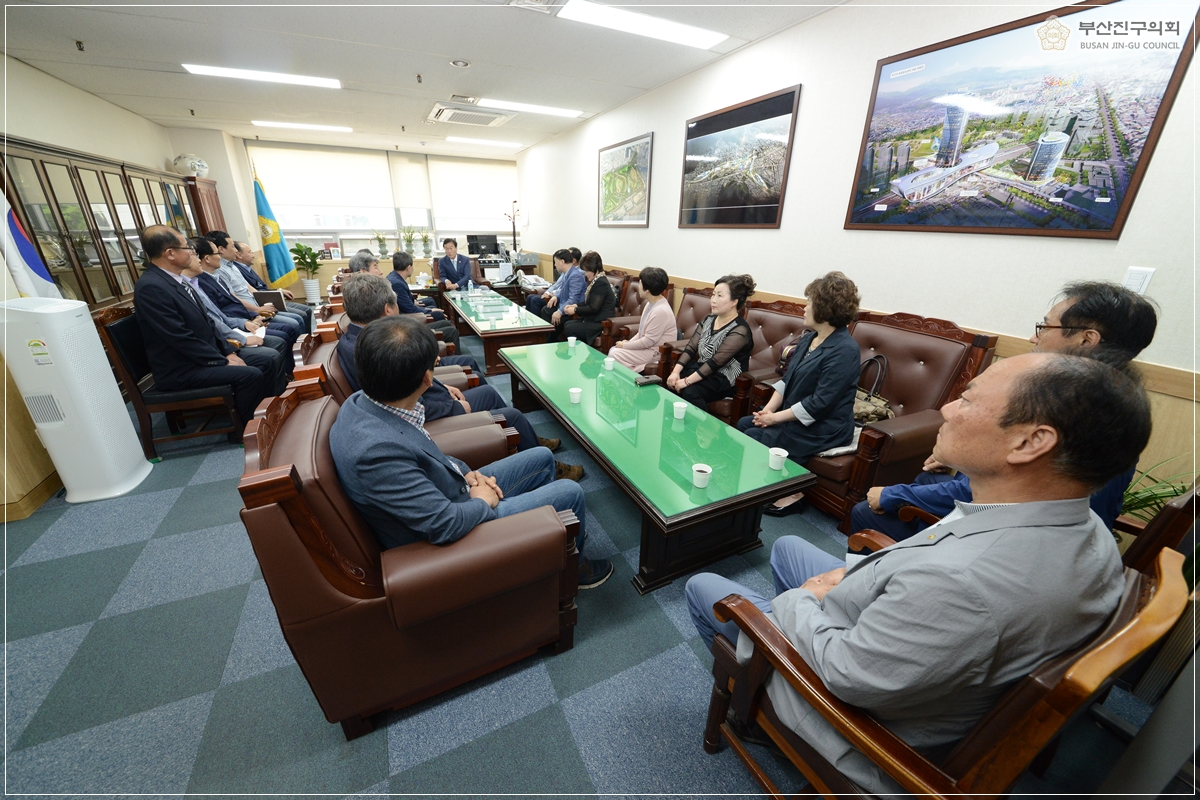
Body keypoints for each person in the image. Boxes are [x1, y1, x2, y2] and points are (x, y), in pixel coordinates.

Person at [687, 351, 1149, 796]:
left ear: (1031, 442)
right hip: (905, 633)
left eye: (967, 399)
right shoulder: (1080, 522)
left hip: (857, 722)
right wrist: (847, 581)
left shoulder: (967, 584)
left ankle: (754, 714)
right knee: (788, 547)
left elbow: (848, 674)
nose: (947, 407)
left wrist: (805, 599)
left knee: (706, 589)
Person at [850, 280, 1159, 540]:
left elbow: (1004, 496)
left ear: (1085, 339)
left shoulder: (1068, 407)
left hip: (1015, 534)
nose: (1032, 337)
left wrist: (893, 495)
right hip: (1052, 527)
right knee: (926, 480)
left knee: (869, 510)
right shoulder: (1117, 398)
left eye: (1044, 326)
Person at [329, 315, 614, 589]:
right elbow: (443, 525)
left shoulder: (365, 400)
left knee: (541, 458)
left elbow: (427, 455)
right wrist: (481, 500)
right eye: (434, 364)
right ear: (428, 379)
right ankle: (572, 573)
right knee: (570, 492)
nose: (438, 363)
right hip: (453, 535)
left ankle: (551, 539)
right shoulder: (375, 452)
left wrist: (467, 472)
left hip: (449, 492)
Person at [335, 274, 578, 479]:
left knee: (487, 389)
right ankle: (543, 462)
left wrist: (441, 386)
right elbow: (400, 402)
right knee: (510, 414)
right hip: (429, 417)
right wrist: (452, 405)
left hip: (426, 402)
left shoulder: (355, 340)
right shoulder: (372, 348)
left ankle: (527, 438)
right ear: (388, 309)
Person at [740, 272, 862, 516]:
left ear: (826, 309)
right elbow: (788, 379)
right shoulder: (809, 339)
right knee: (745, 423)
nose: (804, 307)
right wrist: (769, 410)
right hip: (797, 416)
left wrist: (774, 419)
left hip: (825, 426)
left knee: (755, 436)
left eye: (809, 302)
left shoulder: (845, 350)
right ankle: (766, 486)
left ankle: (793, 494)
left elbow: (821, 403)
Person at [133, 225, 268, 430]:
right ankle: (248, 430)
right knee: (251, 375)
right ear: (170, 253)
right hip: (181, 368)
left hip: (202, 358)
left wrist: (228, 351)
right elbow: (180, 338)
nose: (191, 252)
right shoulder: (152, 287)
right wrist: (220, 360)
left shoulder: (177, 281)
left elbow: (208, 323)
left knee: (266, 358)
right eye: (187, 247)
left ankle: (268, 414)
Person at [180, 243, 290, 395]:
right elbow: (211, 322)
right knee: (271, 353)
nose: (198, 259)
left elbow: (219, 316)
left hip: (234, 327)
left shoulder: (196, 283)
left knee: (280, 340)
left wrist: (247, 321)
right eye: (193, 255)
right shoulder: (186, 286)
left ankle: (279, 392)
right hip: (219, 342)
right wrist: (237, 340)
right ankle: (270, 404)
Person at [666, 274, 756, 408]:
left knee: (690, 392)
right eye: (713, 295)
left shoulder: (740, 330)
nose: (713, 300)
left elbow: (716, 363)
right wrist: (675, 372)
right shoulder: (709, 320)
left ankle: (703, 428)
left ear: (734, 301)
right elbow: (691, 347)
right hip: (703, 369)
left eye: (719, 296)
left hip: (724, 378)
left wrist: (687, 381)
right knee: (671, 385)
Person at [193, 239, 299, 349]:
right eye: (218, 254)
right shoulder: (202, 282)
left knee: (290, 326)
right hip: (236, 327)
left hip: (247, 318)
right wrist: (250, 319)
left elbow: (241, 297)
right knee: (283, 336)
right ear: (207, 259)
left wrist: (254, 316)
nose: (220, 257)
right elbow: (222, 314)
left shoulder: (217, 277)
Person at [206, 230, 305, 334]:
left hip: (258, 305)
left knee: (297, 318)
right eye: (232, 247)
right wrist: (258, 309)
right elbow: (233, 297)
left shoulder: (232, 265)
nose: (235, 250)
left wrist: (268, 299)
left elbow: (249, 287)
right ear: (221, 249)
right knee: (293, 323)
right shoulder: (219, 270)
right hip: (251, 311)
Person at [232, 240, 314, 331]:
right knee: (298, 318)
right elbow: (257, 293)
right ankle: (304, 342)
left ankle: (309, 341)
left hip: (267, 299)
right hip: (261, 304)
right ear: (239, 255)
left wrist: (278, 291)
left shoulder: (245, 267)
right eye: (249, 252)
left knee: (307, 310)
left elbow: (259, 288)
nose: (253, 255)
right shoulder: (237, 269)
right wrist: (276, 293)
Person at [607, 266, 676, 373]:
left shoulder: (660, 311)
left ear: (647, 290)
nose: (638, 286)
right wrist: (627, 343)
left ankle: (631, 379)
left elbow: (648, 341)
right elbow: (641, 333)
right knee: (615, 350)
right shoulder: (650, 303)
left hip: (656, 352)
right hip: (647, 348)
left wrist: (625, 345)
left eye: (640, 283)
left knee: (614, 354)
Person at [388, 251, 460, 348]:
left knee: (430, 301)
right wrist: (429, 310)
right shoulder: (397, 283)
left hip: (406, 313)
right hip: (408, 320)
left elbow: (406, 302)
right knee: (441, 318)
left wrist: (418, 304)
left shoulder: (395, 277)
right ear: (409, 267)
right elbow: (410, 309)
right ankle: (445, 348)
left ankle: (445, 345)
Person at [553, 251, 615, 344]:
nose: (585, 274)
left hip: (600, 322)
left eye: (587, 271)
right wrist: (575, 305)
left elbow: (594, 307)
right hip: (593, 319)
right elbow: (588, 302)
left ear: (595, 269)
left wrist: (575, 310)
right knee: (568, 324)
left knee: (570, 327)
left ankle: (578, 352)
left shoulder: (601, 283)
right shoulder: (596, 281)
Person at [526, 248, 586, 322]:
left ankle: (543, 332)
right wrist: (556, 296)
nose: (555, 265)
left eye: (555, 262)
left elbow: (573, 299)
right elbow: (563, 289)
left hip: (571, 309)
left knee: (546, 311)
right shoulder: (567, 272)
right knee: (546, 309)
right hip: (563, 303)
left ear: (562, 262)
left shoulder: (575, 276)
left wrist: (560, 312)